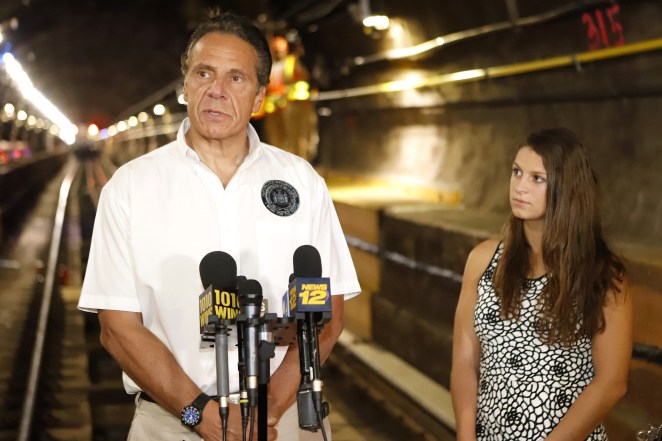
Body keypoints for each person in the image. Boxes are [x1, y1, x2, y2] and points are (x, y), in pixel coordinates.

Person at [78, 10, 360, 441]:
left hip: (281, 420)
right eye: (204, 73)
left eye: (236, 78)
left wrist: (268, 410)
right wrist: (199, 415)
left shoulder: (302, 182)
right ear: (185, 85)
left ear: (260, 96)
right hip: (172, 423)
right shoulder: (130, 187)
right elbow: (118, 328)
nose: (217, 91)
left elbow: (330, 315)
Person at [451, 128, 632, 440]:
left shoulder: (602, 274)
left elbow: (612, 383)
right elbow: (465, 362)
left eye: (537, 178)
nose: (520, 186)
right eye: (517, 172)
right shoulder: (483, 261)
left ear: (567, 187)